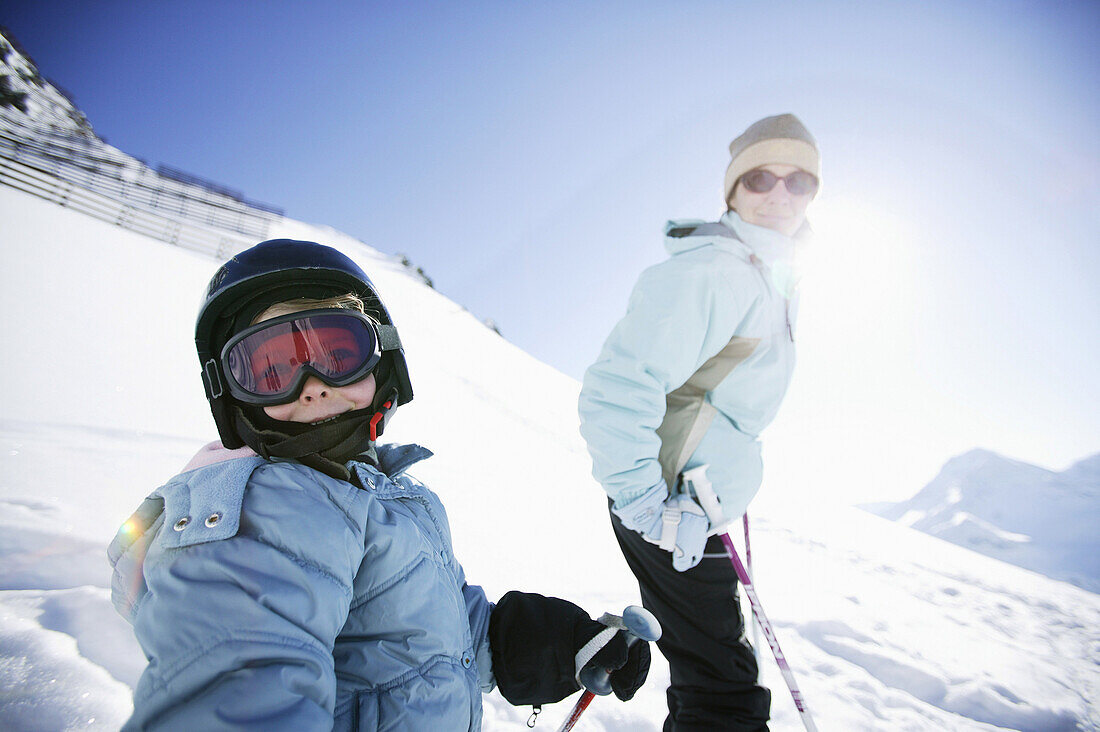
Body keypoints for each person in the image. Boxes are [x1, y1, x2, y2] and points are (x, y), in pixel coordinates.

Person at [108, 239, 651, 730]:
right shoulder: (261, 512)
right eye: (273, 369)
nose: (315, 386)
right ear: (233, 395)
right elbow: (237, 677)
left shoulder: (382, 496)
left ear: (382, 362)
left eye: (337, 355)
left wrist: (554, 643)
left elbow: (425, 636)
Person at [578, 113, 820, 731]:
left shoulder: (770, 273)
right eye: (762, 177)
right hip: (669, 506)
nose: (780, 194)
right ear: (733, 189)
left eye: (800, 183)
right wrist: (642, 502)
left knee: (712, 673)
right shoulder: (717, 272)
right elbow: (618, 384)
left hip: (695, 500)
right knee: (724, 691)